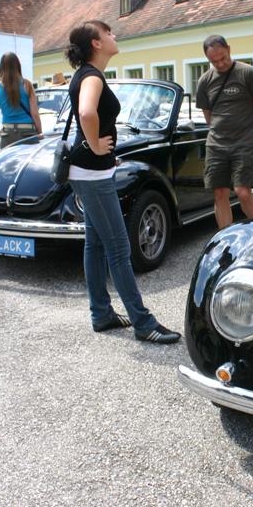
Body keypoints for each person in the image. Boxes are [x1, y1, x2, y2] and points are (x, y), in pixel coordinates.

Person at [65, 20, 181, 344]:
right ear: (96, 43)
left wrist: (102, 153)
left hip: (89, 170)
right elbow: (87, 114)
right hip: (91, 173)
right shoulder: (91, 76)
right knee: (118, 246)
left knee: (96, 243)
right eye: (109, 33)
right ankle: (143, 322)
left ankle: (101, 314)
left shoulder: (88, 75)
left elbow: (89, 116)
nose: (115, 36)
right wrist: (96, 146)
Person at [195, 35, 253, 229]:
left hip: (244, 143)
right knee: (220, 192)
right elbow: (208, 114)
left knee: (243, 191)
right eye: (214, 61)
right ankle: (225, 239)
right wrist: (219, 132)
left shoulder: (248, 74)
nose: (220, 63)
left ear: (229, 49)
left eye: (223, 58)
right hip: (216, 145)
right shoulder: (205, 81)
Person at [0, 52, 42, 149]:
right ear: (18, 65)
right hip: (28, 133)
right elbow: (35, 114)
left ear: (1, 67)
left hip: (7, 134)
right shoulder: (27, 84)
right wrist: (40, 131)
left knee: (8, 164)